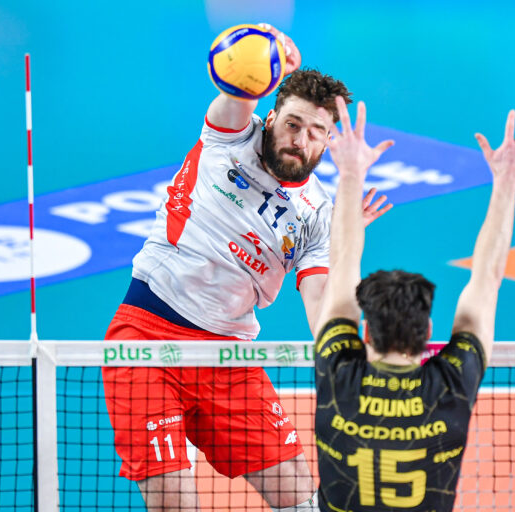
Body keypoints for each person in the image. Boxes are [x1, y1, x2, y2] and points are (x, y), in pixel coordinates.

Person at [101, 25, 391, 512]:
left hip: (228, 357)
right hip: (147, 339)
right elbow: (236, 92)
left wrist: (348, 241)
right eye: (293, 124)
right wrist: (268, 59)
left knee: (300, 495)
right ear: (271, 116)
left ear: (328, 143)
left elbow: (321, 308)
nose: (300, 140)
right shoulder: (230, 136)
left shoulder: (319, 215)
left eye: (316, 133)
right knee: (175, 505)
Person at [312, 97, 515, 511]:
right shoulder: (451, 385)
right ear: (429, 334)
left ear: (365, 332)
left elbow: (343, 262)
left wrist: (350, 173)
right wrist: (507, 181)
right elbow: (488, 279)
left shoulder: (338, 376)